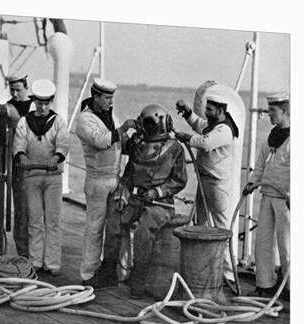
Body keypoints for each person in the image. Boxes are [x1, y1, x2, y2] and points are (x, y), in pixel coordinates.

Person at [117, 104, 187, 298]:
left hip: (161, 204)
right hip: (137, 199)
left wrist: (157, 192)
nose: (149, 128)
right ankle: (118, 269)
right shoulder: (138, 145)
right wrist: (123, 191)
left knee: (143, 229)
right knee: (117, 221)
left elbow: (179, 180)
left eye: (151, 124)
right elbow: (129, 173)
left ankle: (138, 278)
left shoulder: (174, 148)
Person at [175, 92, 240, 283]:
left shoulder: (225, 130)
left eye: (210, 109)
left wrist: (186, 137)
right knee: (200, 224)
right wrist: (187, 113)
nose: (206, 112)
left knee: (222, 228)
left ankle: (228, 276)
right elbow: (200, 125)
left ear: (220, 110)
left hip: (218, 185)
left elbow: (205, 142)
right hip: (205, 181)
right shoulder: (213, 125)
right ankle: (201, 270)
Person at [13, 79, 69, 275]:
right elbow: (19, 144)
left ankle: (52, 263)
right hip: (32, 177)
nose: (43, 107)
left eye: (47, 103)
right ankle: (36, 260)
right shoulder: (24, 122)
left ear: (51, 102)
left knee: (52, 220)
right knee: (35, 220)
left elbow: (63, 144)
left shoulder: (58, 122)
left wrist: (56, 157)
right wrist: (22, 157)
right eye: (40, 103)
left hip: (53, 177)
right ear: (34, 101)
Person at [75, 78, 126, 287]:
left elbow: (120, 143)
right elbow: (100, 140)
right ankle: (87, 274)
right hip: (97, 181)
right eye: (106, 98)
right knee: (94, 229)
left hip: (114, 178)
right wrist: (123, 129)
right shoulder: (85, 120)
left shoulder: (110, 115)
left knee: (114, 229)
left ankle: (110, 271)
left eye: (112, 98)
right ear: (95, 97)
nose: (110, 102)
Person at [243, 92, 290, 299]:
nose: (269, 113)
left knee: (287, 245)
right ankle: (265, 283)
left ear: (285, 111)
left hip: (285, 201)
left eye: (273, 110)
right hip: (267, 195)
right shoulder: (270, 138)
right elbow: (261, 164)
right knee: (262, 241)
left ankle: (290, 287)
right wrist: (252, 183)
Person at [0, 74, 34, 258]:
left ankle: (39, 253)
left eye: (19, 89)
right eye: (12, 90)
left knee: (40, 214)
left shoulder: (36, 105)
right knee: (22, 210)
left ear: (26, 87)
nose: (16, 94)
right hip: (20, 166)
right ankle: (23, 252)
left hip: (39, 165)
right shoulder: (7, 107)